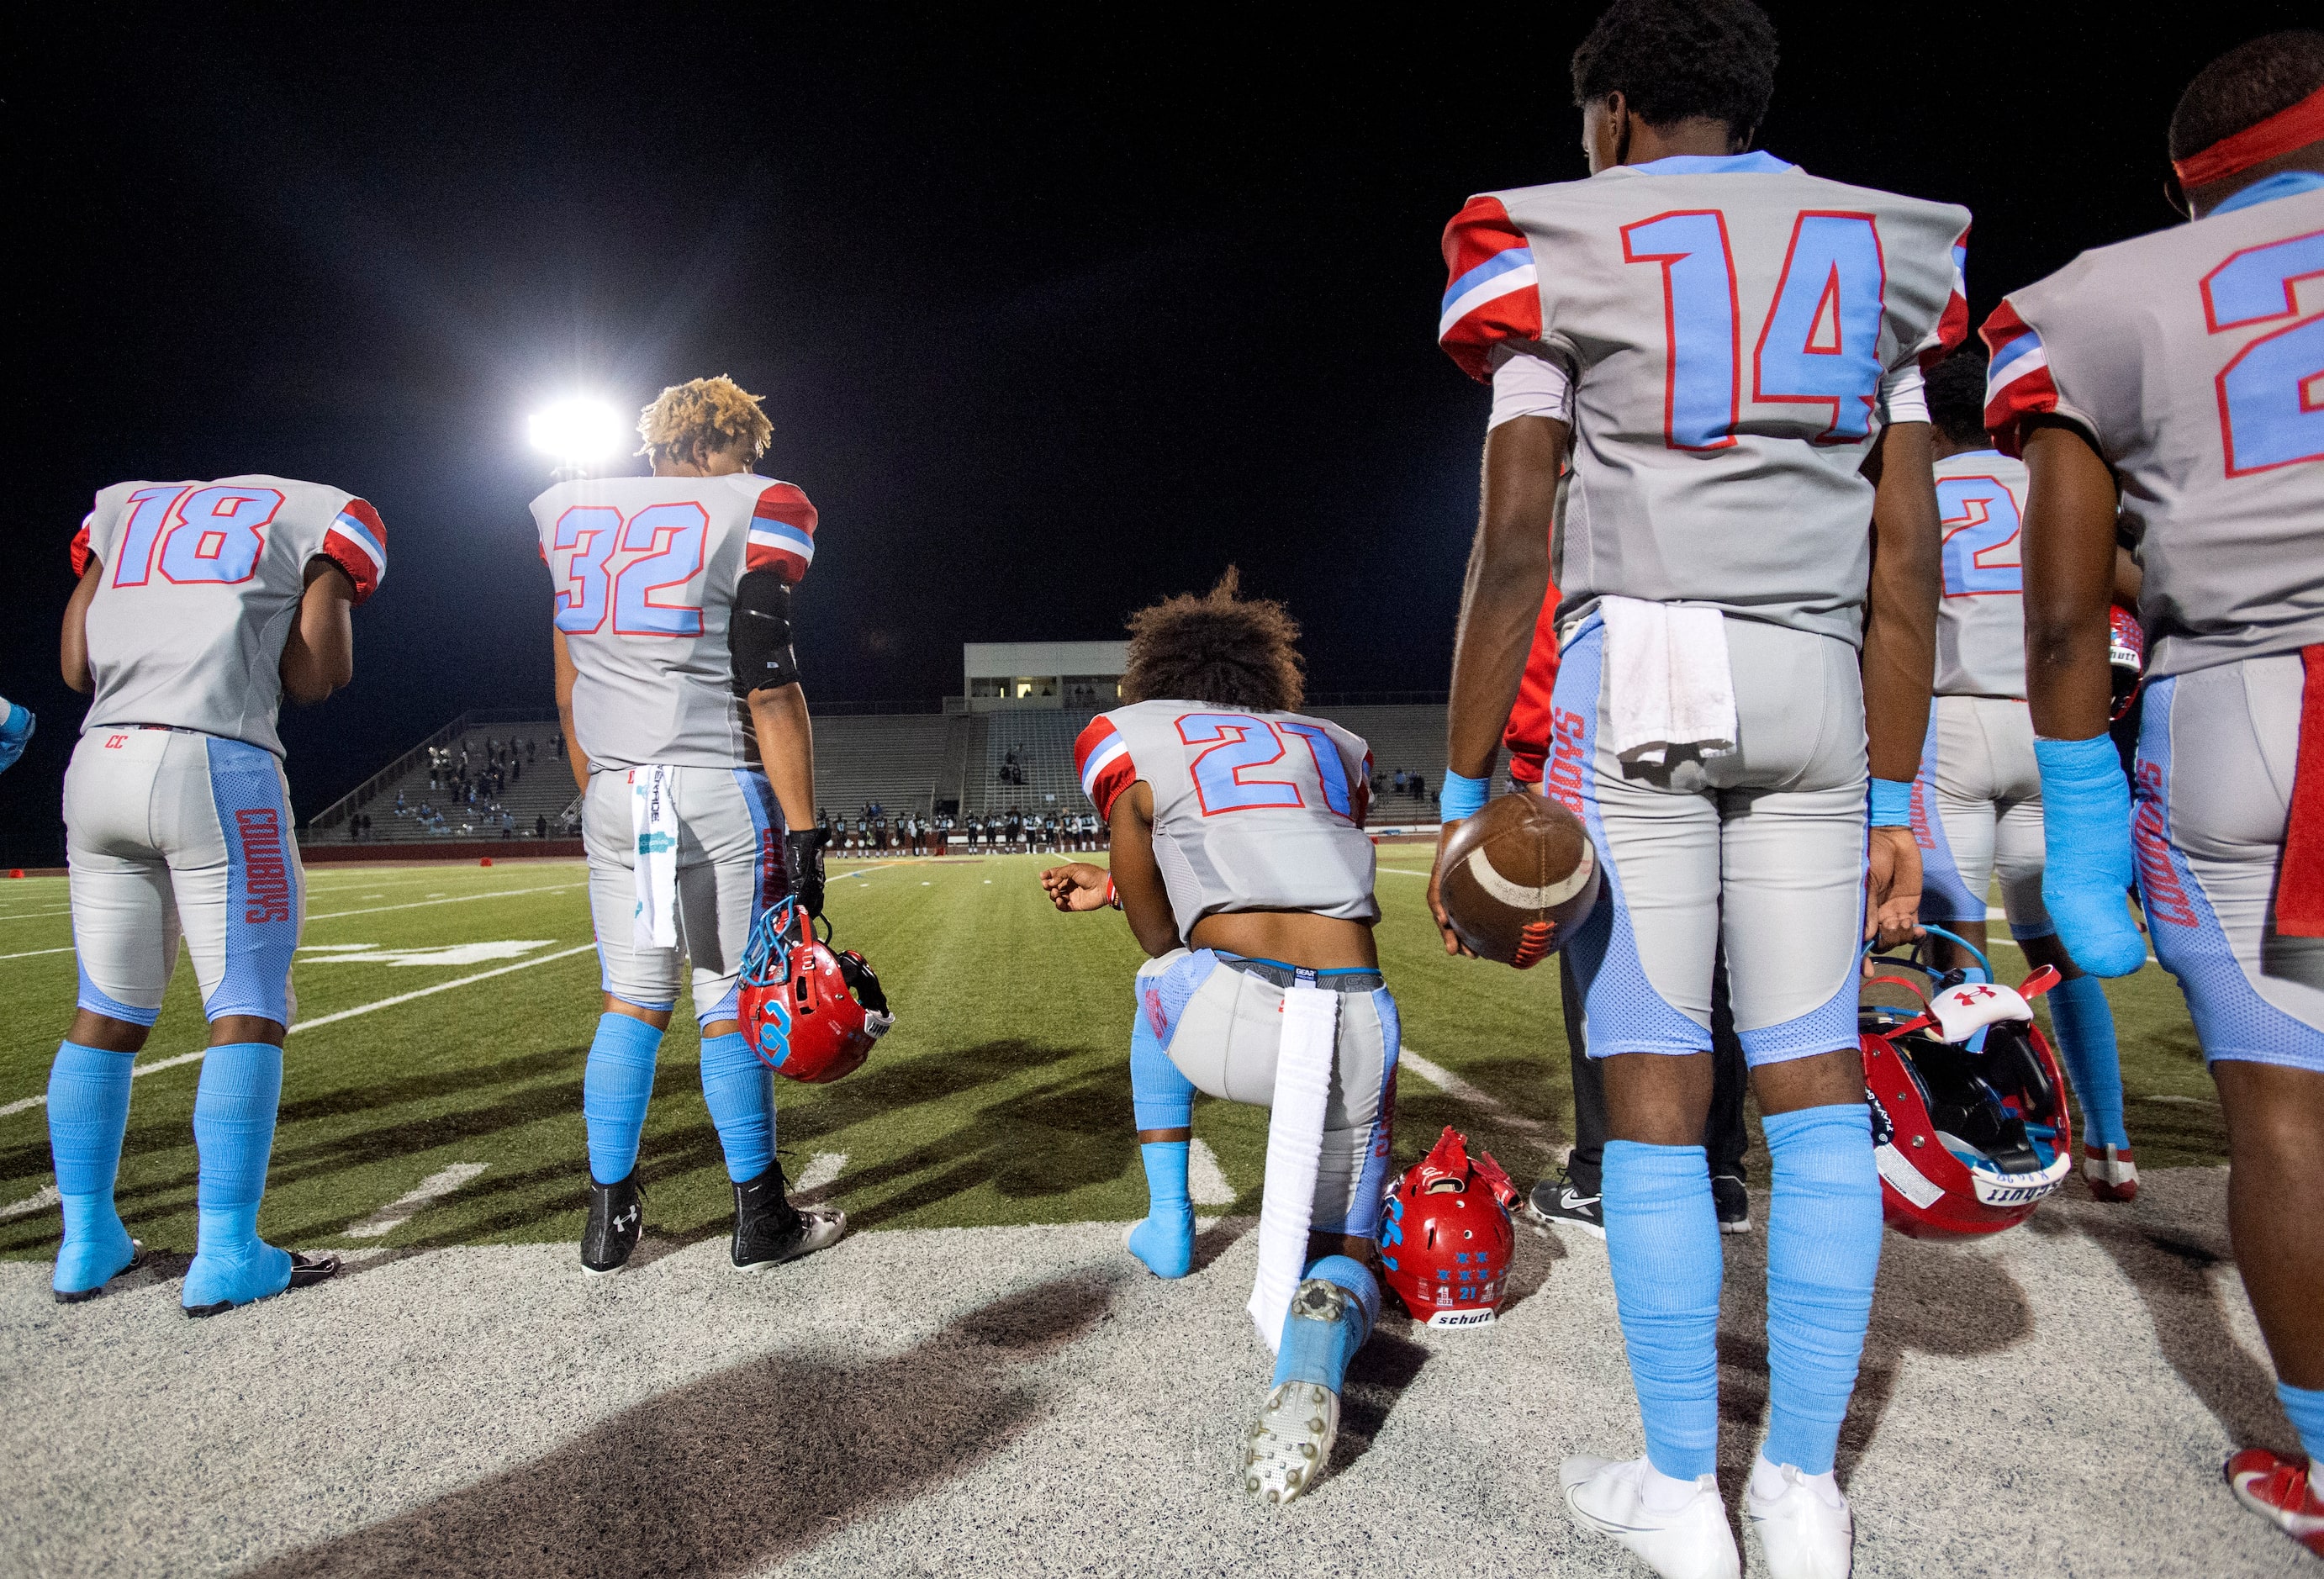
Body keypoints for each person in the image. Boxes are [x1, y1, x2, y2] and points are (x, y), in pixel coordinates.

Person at [1429, 3, 1963, 1571]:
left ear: (1605, 112)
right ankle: (1799, 1488)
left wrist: (1471, 777)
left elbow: (1515, 540)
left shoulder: (1549, 232)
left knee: (1654, 1101)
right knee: (1807, 1087)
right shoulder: (1880, 245)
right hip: (1816, 688)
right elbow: (1908, 550)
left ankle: (1682, 1490)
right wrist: (1889, 800)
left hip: (1640, 670)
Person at [1990, 29, 2324, 1557]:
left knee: (2281, 1114)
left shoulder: (2097, 296)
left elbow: (2065, 618)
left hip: (2237, 707)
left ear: (2186, 179)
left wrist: (2077, 828)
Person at [1041, 570, 1386, 1505]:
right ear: (1267, 679)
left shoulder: (1127, 738)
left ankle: (1169, 1223)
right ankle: (1315, 1345)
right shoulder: (1335, 746)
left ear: (1156, 671)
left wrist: (1117, 884)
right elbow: (1280, 861)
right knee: (1350, 1253)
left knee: (1154, 979)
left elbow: (1162, 934)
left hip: (1224, 1018)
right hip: (1355, 1021)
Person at [47, 472, 387, 1312]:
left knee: (108, 1007)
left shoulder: (126, 503)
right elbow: (318, 675)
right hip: (216, 762)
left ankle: (86, 1243)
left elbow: (75, 664)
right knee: (247, 1004)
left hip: (98, 764)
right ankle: (228, 1252)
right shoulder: (322, 514)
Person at [534, 374, 842, 1278]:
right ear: (715, 443)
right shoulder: (747, 509)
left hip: (620, 791)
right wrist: (804, 827)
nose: (745, 471)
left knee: (631, 1002)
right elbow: (770, 684)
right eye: (741, 455)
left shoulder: (574, 517)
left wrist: (612, 792)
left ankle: (605, 1220)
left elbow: (567, 685)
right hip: (712, 782)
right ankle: (760, 1217)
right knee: (724, 1004)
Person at [1914, 347, 2139, 1200]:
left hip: (1950, 720)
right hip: (2052, 723)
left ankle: (1982, 1141)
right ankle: (2110, 1144)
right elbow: (2127, 585)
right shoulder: (2050, 490)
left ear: (1930, 422)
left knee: (1957, 950)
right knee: (2061, 948)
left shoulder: (1914, 491)